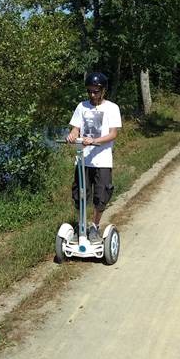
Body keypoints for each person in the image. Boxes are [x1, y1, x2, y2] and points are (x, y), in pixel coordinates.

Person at [66, 72, 122, 242]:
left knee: (101, 195)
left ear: (103, 90)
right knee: (80, 194)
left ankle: (95, 227)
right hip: (83, 160)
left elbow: (113, 134)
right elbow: (76, 128)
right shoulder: (81, 107)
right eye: (90, 91)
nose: (92, 94)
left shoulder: (112, 108)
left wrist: (95, 140)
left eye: (96, 91)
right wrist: (72, 134)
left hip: (102, 160)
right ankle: (81, 225)